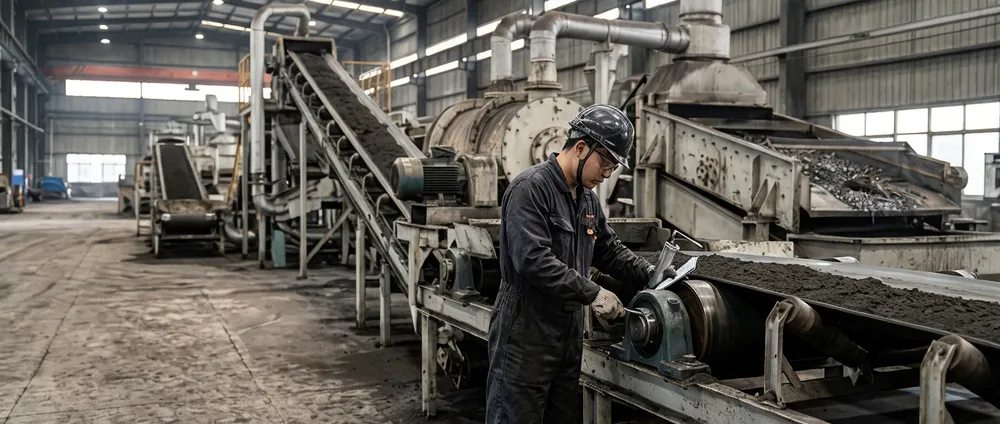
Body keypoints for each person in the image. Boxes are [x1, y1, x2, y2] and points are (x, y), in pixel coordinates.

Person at [486, 104, 674, 423]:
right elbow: (533, 261)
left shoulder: (586, 199)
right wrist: (593, 293)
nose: (607, 173)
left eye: (614, 166)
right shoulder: (530, 189)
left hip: (566, 334)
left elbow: (609, 250)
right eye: (606, 162)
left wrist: (652, 274)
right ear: (581, 147)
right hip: (526, 328)